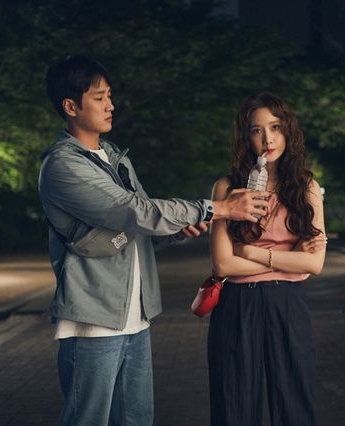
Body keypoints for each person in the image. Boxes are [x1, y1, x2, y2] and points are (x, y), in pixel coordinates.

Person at [38, 55, 269, 426]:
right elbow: (135, 212)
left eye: (110, 95)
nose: (111, 105)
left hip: (135, 318)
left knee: (138, 420)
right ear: (70, 106)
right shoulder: (63, 166)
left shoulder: (115, 158)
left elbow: (141, 224)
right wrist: (215, 209)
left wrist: (177, 229)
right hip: (93, 321)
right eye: (99, 97)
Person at [208, 92, 327, 426]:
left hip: (287, 303)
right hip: (236, 304)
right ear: (245, 136)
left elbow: (314, 263)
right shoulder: (226, 188)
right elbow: (223, 265)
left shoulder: (306, 187)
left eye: (275, 127)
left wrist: (250, 252)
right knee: (234, 404)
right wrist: (290, 257)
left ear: (288, 130)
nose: (268, 139)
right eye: (256, 130)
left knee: (294, 404)